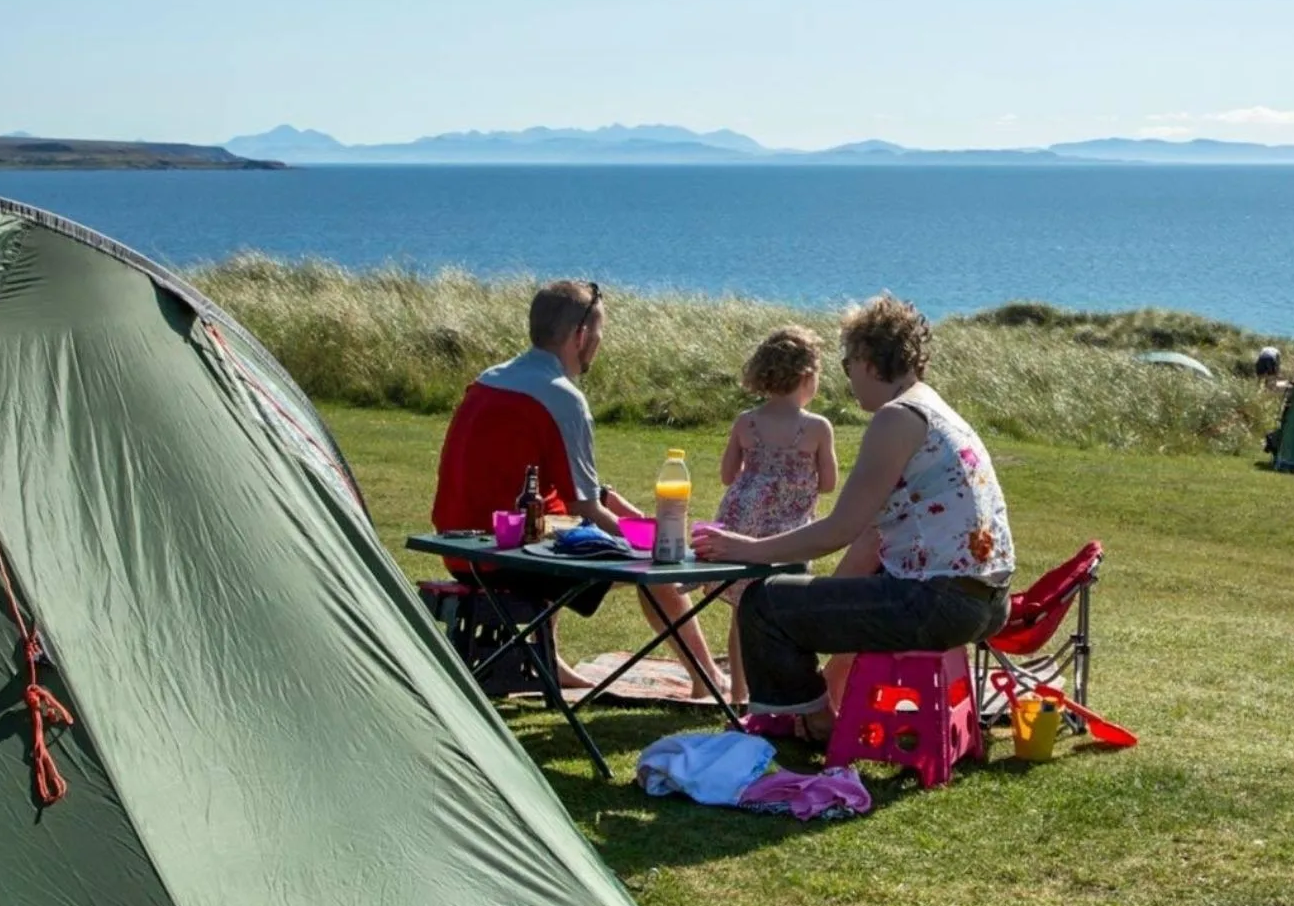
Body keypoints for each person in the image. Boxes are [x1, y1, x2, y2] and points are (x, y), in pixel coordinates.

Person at [693, 294, 1014, 740]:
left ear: (867, 358)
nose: (848, 380)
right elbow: (867, 539)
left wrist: (750, 550)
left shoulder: (896, 418)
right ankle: (815, 711)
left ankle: (811, 723)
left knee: (763, 603)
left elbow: (839, 529)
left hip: (936, 601)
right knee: (793, 598)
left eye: (847, 366)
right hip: (988, 601)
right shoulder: (934, 407)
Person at [432, 280, 723, 696]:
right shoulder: (560, 396)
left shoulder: (489, 380)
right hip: (505, 556)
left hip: (457, 544)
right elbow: (584, 510)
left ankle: (550, 659)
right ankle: (707, 678)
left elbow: (539, 483)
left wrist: (609, 502)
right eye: (599, 338)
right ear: (581, 336)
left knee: (562, 525)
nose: (598, 347)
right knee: (653, 566)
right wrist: (652, 541)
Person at [711, 326, 838, 706]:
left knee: (741, 612)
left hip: (742, 523)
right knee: (783, 607)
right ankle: (788, 695)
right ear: (806, 376)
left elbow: (726, 475)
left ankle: (738, 695)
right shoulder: (816, 427)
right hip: (787, 533)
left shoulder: (746, 422)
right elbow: (829, 483)